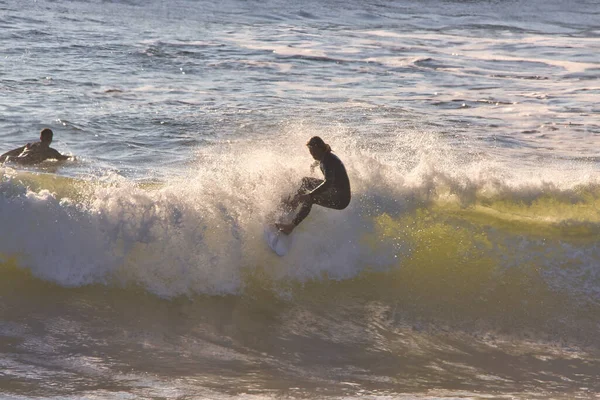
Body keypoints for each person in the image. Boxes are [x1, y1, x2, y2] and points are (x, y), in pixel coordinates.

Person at [276, 136, 351, 234]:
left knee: (310, 199)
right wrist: (313, 165)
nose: (312, 154)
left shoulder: (328, 161)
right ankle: (293, 205)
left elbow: (328, 183)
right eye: (310, 151)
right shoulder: (325, 156)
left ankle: (290, 227)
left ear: (320, 148)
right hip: (335, 190)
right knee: (306, 181)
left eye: (314, 151)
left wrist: (310, 195)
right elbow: (319, 162)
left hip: (340, 199)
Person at [0, 128, 70, 165]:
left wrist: (2, 156)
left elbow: (15, 151)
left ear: (40, 137)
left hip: (13, 159)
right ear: (51, 139)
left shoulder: (30, 145)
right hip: (26, 164)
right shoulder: (50, 151)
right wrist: (73, 158)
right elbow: (62, 158)